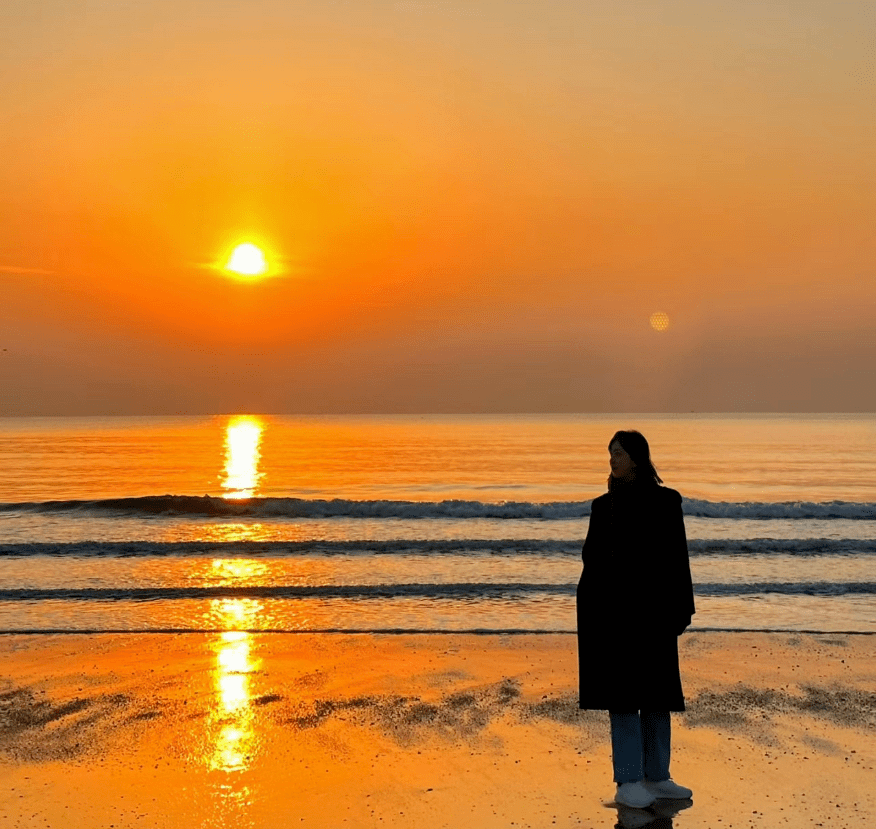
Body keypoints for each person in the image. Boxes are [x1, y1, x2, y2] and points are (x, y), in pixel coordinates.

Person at [576, 430, 695, 809]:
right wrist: (596, 608)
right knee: (624, 696)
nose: (612, 459)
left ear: (638, 457)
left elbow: (678, 558)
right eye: (610, 452)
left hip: (656, 613)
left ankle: (657, 777)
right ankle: (628, 781)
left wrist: (681, 607)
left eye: (619, 453)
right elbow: (591, 561)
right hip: (616, 615)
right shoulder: (603, 506)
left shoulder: (665, 501)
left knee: (658, 695)